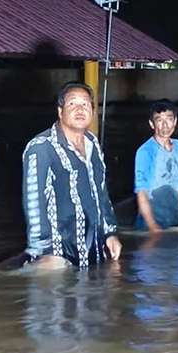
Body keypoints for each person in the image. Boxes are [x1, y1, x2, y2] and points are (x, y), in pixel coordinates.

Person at [21, 82, 122, 268]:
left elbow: (101, 192)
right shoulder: (41, 147)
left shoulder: (93, 143)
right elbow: (33, 202)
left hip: (93, 248)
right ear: (60, 111)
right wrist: (43, 251)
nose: (80, 109)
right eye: (72, 104)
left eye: (85, 104)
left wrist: (110, 233)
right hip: (58, 255)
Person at [134, 100, 178, 233]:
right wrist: (152, 227)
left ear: (175, 121)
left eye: (169, 119)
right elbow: (142, 193)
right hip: (149, 225)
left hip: (173, 221)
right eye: (159, 120)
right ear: (152, 124)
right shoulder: (145, 152)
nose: (165, 125)